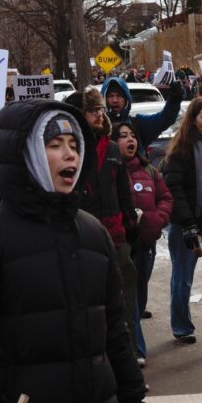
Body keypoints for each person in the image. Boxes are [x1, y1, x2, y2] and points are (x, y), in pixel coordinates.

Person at [0, 99, 150, 403]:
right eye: (54, 145)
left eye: (74, 145)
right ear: (26, 154)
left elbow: (116, 339)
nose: (70, 155)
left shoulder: (94, 234)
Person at [65, 88, 139, 353]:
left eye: (100, 110)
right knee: (89, 305)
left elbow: (123, 190)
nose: (99, 114)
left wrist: (130, 221)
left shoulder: (110, 148)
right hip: (82, 238)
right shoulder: (70, 149)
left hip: (116, 238)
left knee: (123, 305)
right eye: (93, 110)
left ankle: (128, 363)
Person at [161, 97, 202, 346]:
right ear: (193, 120)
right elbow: (175, 189)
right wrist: (188, 223)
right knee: (183, 279)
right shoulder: (181, 150)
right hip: (186, 226)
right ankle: (182, 327)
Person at [114, 120, 172, 367]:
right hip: (123, 246)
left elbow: (166, 198)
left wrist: (154, 220)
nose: (130, 140)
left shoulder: (149, 171)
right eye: (123, 135)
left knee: (138, 298)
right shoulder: (110, 171)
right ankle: (136, 351)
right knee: (130, 301)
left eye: (133, 136)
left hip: (146, 246)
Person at [99, 76, 184, 152]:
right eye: (110, 96)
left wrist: (174, 100)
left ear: (126, 99)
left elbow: (164, 119)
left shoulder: (138, 124)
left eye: (119, 96)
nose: (115, 100)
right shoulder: (97, 126)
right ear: (104, 99)